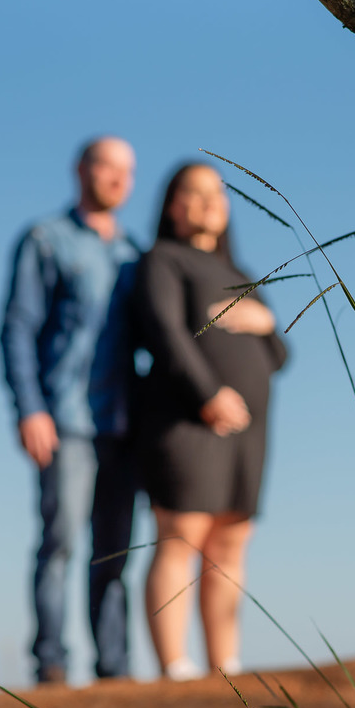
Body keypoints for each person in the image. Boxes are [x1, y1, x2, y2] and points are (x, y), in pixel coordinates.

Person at [130, 163, 287, 680]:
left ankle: (227, 667)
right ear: (171, 205)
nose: (207, 201)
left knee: (230, 541)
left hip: (250, 430)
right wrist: (208, 393)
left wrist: (265, 322)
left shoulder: (242, 274)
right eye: (192, 193)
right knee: (182, 535)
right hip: (186, 420)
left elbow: (280, 357)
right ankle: (175, 665)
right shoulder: (161, 260)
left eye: (216, 192)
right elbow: (164, 331)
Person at [0, 136, 140, 685]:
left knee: (117, 551)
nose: (118, 179)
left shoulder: (135, 252)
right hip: (66, 419)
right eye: (108, 166)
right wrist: (29, 407)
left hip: (125, 423)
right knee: (59, 540)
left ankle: (115, 668)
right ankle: (51, 663)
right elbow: (17, 328)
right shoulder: (46, 239)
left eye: (128, 171)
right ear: (81, 169)